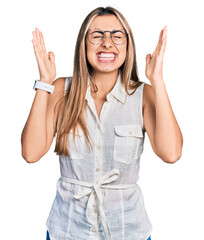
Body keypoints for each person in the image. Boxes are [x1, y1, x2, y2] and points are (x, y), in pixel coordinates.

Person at [21, 6, 183, 240]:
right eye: (97, 35)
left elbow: (171, 153)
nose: (107, 43)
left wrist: (157, 80)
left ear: (128, 45)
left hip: (128, 231)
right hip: (67, 231)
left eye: (117, 35)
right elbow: (31, 152)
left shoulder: (143, 95)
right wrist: (44, 82)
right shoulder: (59, 90)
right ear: (83, 44)